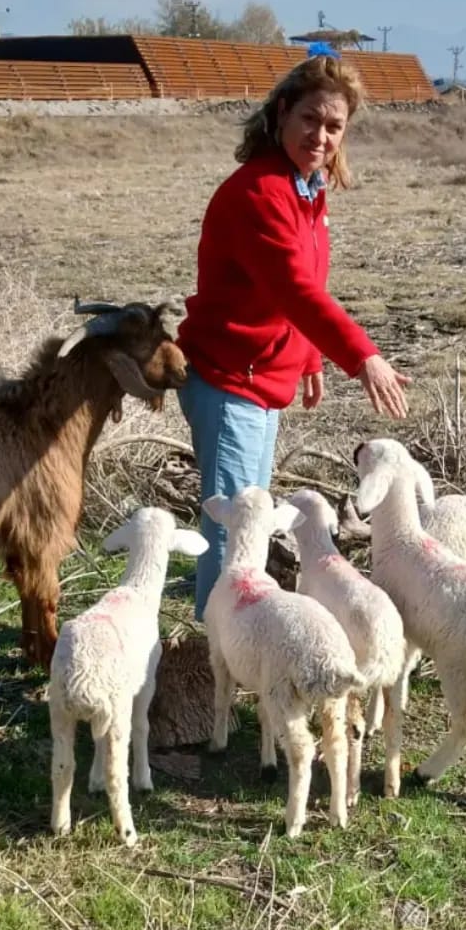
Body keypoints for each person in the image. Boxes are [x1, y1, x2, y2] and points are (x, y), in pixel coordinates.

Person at [177, 51, 412, 620]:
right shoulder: (259, 192)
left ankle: (228, 638)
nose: (321, 135)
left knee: (249, 518)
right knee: (236, 527)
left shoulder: (306, 190)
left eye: (334, 126)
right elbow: (296, 293)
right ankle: (216, 656)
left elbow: (304, 283)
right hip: (230, 376)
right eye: (311, 118)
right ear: (282, 113)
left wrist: (307, 357)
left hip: (261, 374)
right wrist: (363, 358)